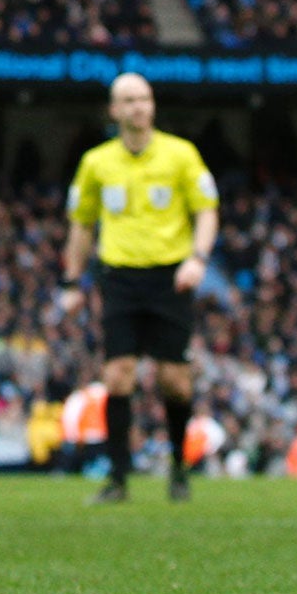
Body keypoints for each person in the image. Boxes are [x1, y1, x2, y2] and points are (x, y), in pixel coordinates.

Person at [60, 72, 220, 504]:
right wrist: (73, 280)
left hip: (171, 275)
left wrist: (198, 258)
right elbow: (81, 225)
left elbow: (207, 210)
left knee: (175, 381)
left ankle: (179, 469)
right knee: (117, 375)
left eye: (145, 99)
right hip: (120, 277)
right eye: (129, 100)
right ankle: (117, 478)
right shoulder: (97, 162)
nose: (139, 107)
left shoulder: (180, 154)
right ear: (114, 110)